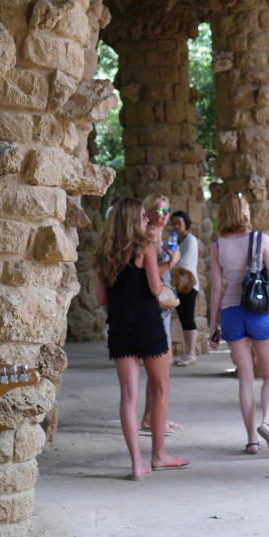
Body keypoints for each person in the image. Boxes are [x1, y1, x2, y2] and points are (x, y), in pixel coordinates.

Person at [94, 197, 188, 478]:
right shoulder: (145, 246)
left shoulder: (103, 254)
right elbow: (155, 287)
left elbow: (101, 299)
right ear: (133, 218)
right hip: (148, 325)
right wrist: (170, 261)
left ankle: (137, 463)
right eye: (143, 216)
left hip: (120, 328)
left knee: (128, 396)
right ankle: (158, 455)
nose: (147, 219)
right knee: (159, 388)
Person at [209, 191, 269, 455]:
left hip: (231, 313)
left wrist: (212, 326)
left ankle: (251, 441)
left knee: (245, 378)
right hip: (259, 311)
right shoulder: (260, 239)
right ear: (242, 212)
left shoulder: (217, 246)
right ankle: (267, 423)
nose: (249, 211)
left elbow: (216, 288)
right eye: (246, 207)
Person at [140, 194, 183, 432]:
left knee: (161, 366)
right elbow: (152, 275)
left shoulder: (158, 237)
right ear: (148, 214)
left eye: (167, 210)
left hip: (162, 309)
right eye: (159, 210)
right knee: (160, 365)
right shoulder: (149, 237)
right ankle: (154, 418)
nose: (165, 215)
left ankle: (153, 416)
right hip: (155, 308)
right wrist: (173, 261)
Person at [170, 210, 200, 366]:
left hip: (188, 286)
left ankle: (191, 353)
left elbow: (183, 263)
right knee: (182, 318)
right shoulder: (174, 240)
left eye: (178, 223)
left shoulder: (190, 240)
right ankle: (187, 353)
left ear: (185, 224)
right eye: (173, 223)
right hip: (176, 285)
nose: (176, 226)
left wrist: (169, 261)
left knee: (188, 318)